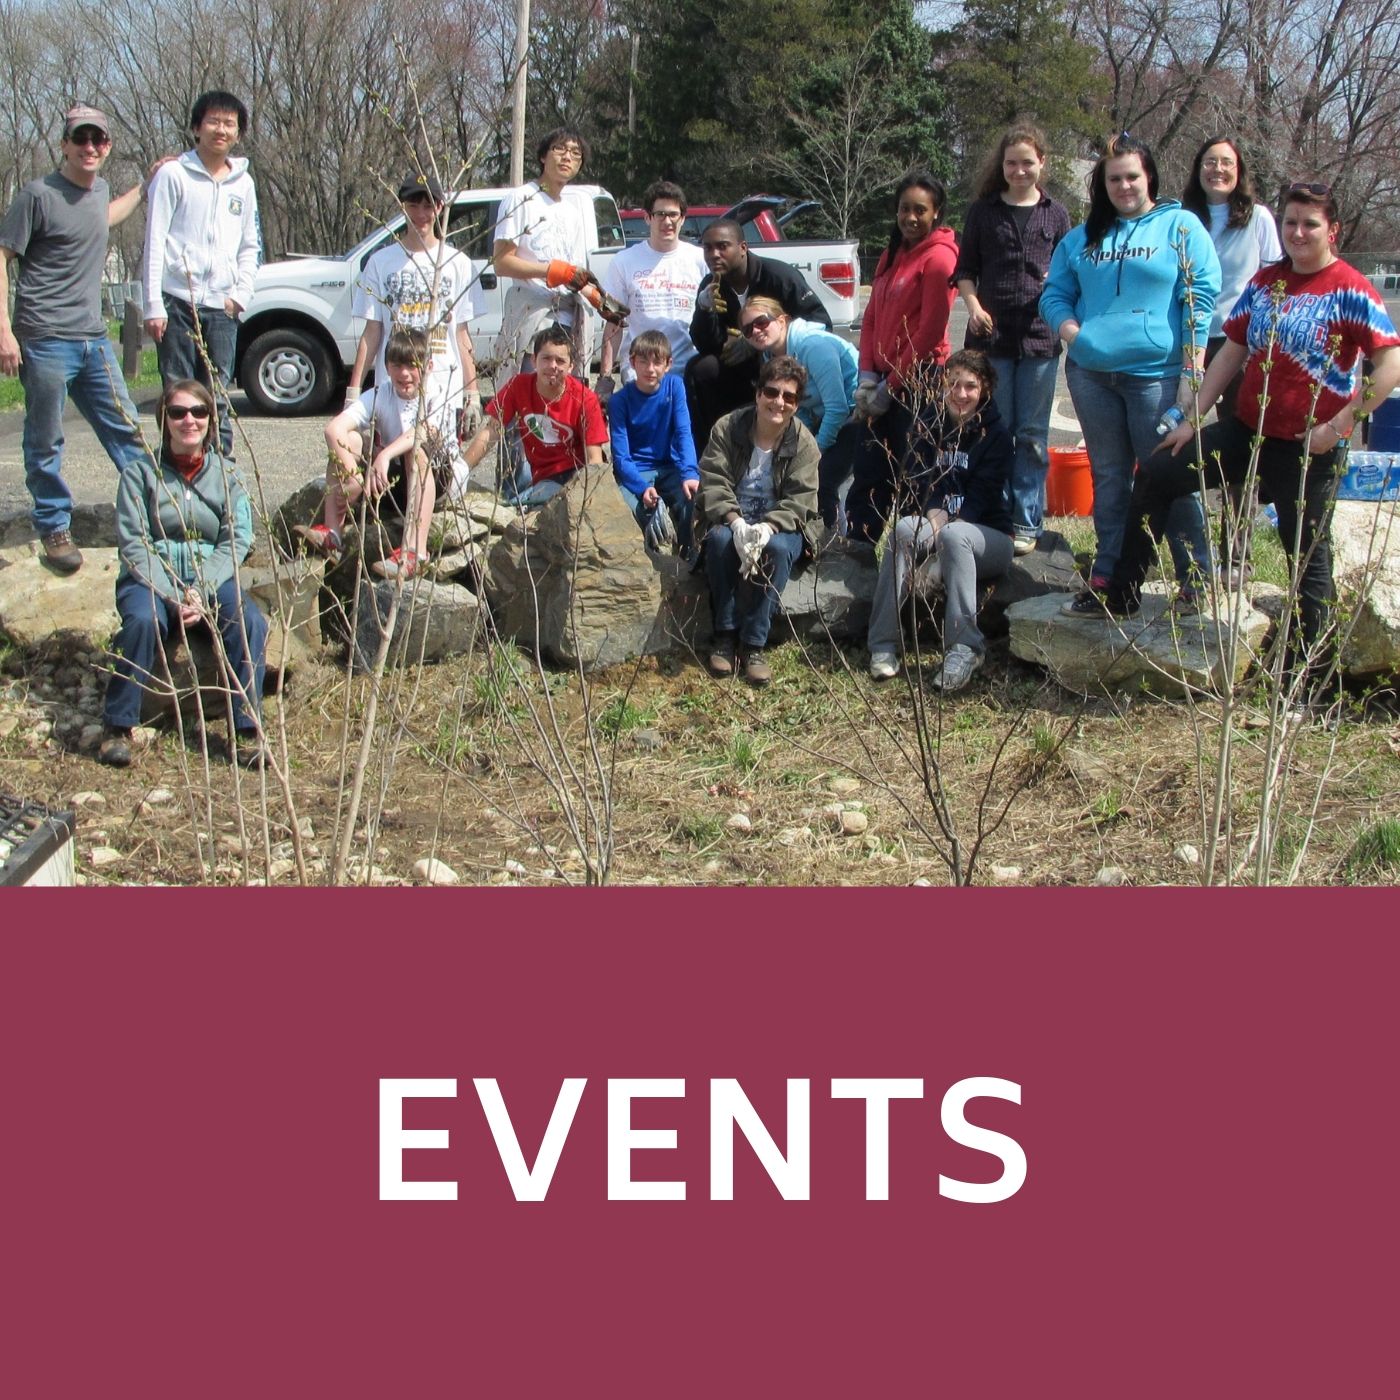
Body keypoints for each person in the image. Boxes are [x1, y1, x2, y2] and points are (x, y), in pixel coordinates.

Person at [1077, 183, 1400, 706]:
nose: (1297, 233)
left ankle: (1307, 680)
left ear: (1331, 230)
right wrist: (1189, 418)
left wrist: (1339, 426)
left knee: (1306, 559)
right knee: (1157, 473)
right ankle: (1124, 593)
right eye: (1291, 222)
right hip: (1247, 433)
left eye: (1309, 224)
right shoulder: (1268, 281)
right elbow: (1231, 352)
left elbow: (1389, 365)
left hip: (1307, 447)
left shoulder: (1351, 288)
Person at [1040, 132, 1221, 604]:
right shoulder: (1082, 237)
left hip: (1156, 376)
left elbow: (1200, 297)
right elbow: (1054, 294)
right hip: (1091, 376)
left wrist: (1192, 371)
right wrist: (1073, 333)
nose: (1123, 186)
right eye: (1113, 178)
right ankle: (1111, 577)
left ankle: (1196, 579)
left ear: (1150, 178)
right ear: (1103, 183)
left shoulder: (1181, 227)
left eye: (1132, 176)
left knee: (1172, 476)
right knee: (1110, 477)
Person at [0, 104, 153, 575]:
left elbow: (102, 217)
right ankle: (54, 524)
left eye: (98, 140)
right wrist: (4, 331)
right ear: (64, 144)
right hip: (44, 338)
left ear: (106, 147)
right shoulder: (36, 196)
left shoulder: (99, 190)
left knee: (126, 430)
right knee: (46, 439)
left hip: (93, 340)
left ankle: (151, 514)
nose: (90, 147)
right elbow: (2, 257)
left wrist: (146, 186)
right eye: (80, 139)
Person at [99, 380, 267, 770]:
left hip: (210, 575)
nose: (188, 420)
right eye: (178, 412)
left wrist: (201, 590)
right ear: (164, 420)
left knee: (248, 622)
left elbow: (237, 539)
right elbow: (134, 543)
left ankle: (246, 728)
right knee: (142, 621)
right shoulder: (139, 474)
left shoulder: (229, 476)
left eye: (198, 412)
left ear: (210, 420)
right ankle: (117, 725)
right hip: (151, 578)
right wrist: (173, 594)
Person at [865, 351, 1014, 692]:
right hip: (939, 524)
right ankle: (883, 643)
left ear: (985, 388)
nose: (961, 394)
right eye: (953, 385)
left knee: (956, 536)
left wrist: (939, 535)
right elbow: (919, 481)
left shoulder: (996, 436)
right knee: (903, 529)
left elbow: (981, 500)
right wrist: (932, 518)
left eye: (970, 386)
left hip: (988, 537)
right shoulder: (928, 424)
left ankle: (964, 648)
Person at [954, 123, 1070, 555]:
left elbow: (1068, 272)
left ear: (1042, 163)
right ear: (1001, 166)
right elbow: (965, 270)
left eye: (1027, 162)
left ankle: (1027, 520)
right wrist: (975, 306)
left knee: (1034, 434)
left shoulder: (1056, 214)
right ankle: (997, 516)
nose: (1019, 170)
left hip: (1040, 338)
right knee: (994, 429)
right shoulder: (983, 212)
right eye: (1011, 163)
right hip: (991, 338)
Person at [1181, 136, 1284, 570]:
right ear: (1197, 169)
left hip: (1241, 343)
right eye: (1209, 162)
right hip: (1189, 338)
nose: (1217, 170)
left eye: (1226, 162)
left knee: (1240, 449)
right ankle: (1183, 546)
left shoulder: (1258, 218)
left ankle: (1235, 553)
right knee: (1177, 434)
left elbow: (1275, 277)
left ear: (1239, 170)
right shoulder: (1183, 218)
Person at [142, 89, 261, 458]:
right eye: (213, 121)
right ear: (196, 128)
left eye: (230, 123)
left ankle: (220, 472)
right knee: (178, 396)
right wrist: (153, 306)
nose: (221, 130)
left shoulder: (244, 183)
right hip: (177, 301)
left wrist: (240, 295)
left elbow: (249, 246)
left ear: (239, 133)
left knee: (218, 395)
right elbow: (154, 241)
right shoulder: (174, 175)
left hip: (222, 307)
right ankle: (175, 475)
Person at [841, 172, 959, 545]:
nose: (910, 217)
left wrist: (891, 387)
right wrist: (866, 375)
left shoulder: (940, 259)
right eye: (904, 209)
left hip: (918, 381)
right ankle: (859, 552)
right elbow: (872, 314)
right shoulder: (894, 253)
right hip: (879, 377)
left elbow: (928, 331)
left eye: (920, 210)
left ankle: (909, 565)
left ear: (936, 212)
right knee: (869, 471)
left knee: (914, 474)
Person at [302, 328, 466, 580]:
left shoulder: (438, 394)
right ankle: (333, 533)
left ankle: (415, 551)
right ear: (387, 367)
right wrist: (354, 475)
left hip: (436, 479)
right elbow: (333, 429)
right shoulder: (381, 392)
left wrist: (385, 455)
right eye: (397, 365)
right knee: (350, 440)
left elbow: (424, 433)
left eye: (413, 365)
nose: (404, 374)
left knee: (415, 454)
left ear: (429, 365)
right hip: (390, 481)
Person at [698, 355, 820, 687]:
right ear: (758, 394)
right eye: (772, 392)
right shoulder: (728, 427)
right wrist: (736, 522)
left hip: (779, 526)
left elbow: (801, 499)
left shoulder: (804, 443)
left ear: (796, 404)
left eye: (789, 397)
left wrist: (768, 527)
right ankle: (724, 635)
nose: (778, 402)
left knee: (779, 551)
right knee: (721, 541)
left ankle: (753, 644)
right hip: (732, 517)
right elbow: (712, 479)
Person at [344, 173, 481, 436]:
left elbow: (462, 334)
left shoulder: (458, 263)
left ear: (440, 208)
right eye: (413, 206)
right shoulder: (380, 262)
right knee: (392, 463)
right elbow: (372, 332)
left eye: (428, 206)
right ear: (402, 207)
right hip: (394, 386)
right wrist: (354, 393)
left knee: (438, 466)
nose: (421, 214)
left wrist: (472, 394)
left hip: (442, 384)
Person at [686, 219, 830, 454]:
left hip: (786, 365)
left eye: (722, 246)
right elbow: (706, 344)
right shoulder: (711, 285)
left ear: (742, 248)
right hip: (740, 369)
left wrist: (760, 342)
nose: (714, 254)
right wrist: (704, 310)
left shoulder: (778, 276)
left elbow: (821, 322)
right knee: (700, 369)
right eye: (707, 247)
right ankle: (712, 452)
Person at [461, 325, 607, 508]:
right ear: (534, 360)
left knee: (516, 507)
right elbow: (491, 431)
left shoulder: (586, 399)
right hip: (541, 478)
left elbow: (594, 461)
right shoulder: (518, 386)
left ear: (571, 366)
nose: (552, 366)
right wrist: (462, 470)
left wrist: (588, 501)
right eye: (546, 358)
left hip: (573, 476)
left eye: (560, 361)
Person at [491, 127, 595, 383]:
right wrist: (547, 270)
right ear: (543, 157)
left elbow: (575, 271)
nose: (567, 157)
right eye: (559, 149)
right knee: (527, 400)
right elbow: (501, 262)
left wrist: (596, 295)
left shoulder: (573, 211)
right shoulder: (521, 198)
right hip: (532, 319)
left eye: (575, 153)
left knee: (564, 405)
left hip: (569, 320)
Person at [596, 180, 707, 396]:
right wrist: (605, 377)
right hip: (640, 375)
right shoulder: (624, 261)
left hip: (688, 373)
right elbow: (613, 323)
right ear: (647, 217)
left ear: (683, 218)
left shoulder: (700, 259)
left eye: (674, 215)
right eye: (660, 214)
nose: (668, 221)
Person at [608, 329, 699, 554]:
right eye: (643, 361)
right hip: (636, 470)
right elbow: (621, 456)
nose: (650, 369)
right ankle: (646, 561)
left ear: (668, 364)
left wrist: (690, 473)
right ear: (632, 362)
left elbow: (684, 432)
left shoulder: (675, 387)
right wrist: (641, 488)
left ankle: (687, 558)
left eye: (657, 362)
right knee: (632, 510)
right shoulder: (619, 401)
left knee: (691, 501)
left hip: (669, 466)